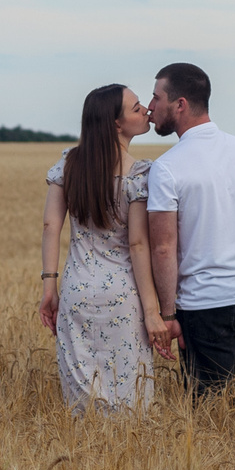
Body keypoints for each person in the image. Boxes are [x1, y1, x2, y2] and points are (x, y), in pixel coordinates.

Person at [143, 61, 235, 392]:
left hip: (205, 307)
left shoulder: (167, 168)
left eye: (156, 97)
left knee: (210, 417)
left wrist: (168, 315)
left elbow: (163, 247)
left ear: (179, 104)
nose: (150, 107)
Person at [38, 84, 174, 413]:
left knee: (83, 394)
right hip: (123, 297)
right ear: (117, 123)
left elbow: (50, 226)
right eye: (136, 106)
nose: (145, 110)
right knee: (128, 393)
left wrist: (49, 286)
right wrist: (153, 312)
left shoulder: (69, 164)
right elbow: (139, 244)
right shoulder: (138, 174)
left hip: (76, 290)